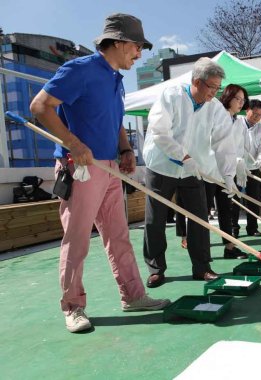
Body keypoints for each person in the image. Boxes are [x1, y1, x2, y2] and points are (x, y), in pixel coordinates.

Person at [29, 13, 170, 333]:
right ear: (119, 42)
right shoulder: (80, 70)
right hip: (80, 167)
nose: (140, 53)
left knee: (119, 236)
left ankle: (133, 295)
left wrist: (125, 150)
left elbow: (115, 120)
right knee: (77, 240)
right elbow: (40, 106)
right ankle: (73, 307)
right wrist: (73, 144)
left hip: (109, 168)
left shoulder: (116, 80)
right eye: (137, 46)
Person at [142, 57, 238, 286]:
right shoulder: (171, 96)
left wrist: (228, 176)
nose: (214, 93)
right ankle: (156, 268)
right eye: (211, 86)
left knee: (199, 217)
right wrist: (182, 157)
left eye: (218, 87)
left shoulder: (215, 109)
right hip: (161, 166)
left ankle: (202, 267)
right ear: (196, 81)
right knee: (155, 219)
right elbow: (160, 132)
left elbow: (224, 143)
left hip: (194, 170)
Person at [209, 83, 249, 259]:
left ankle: (230, 247)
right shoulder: (218, 115)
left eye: (243, 100)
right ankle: (201, 252)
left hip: (227, 173)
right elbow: (213, 143)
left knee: (227, 210)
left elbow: (237, 148)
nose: (240, 103)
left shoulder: (238, 122)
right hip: (210, 171)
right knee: (203, 211)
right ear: (228, 97)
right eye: (237, 99)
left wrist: (238, 163)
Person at [232, 99, 261, 236]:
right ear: (247, 110)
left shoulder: (260, 128)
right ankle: (233, 228)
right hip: (235, 167)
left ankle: (252, 228)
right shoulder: (236, 123)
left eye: (259, 115)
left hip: (253, 168)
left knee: (253, 198)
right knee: (234, 198)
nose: (256, 117)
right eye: (254, 113)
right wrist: (238, 160)